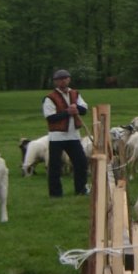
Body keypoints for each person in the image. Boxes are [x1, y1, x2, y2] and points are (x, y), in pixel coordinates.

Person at [42, 69, 90, 197]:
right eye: (60, 79)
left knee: (81, 162)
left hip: (73, 135)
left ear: (69, 79)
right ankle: (55, 193)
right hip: (57, 137)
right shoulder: (49, 98)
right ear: (56, 82)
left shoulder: (75, 93)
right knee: (55, 166)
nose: (63, 81)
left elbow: (84, 109)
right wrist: (68, 112)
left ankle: (81, 189)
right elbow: (50, 117)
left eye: (65, 78)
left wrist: (76, 108)